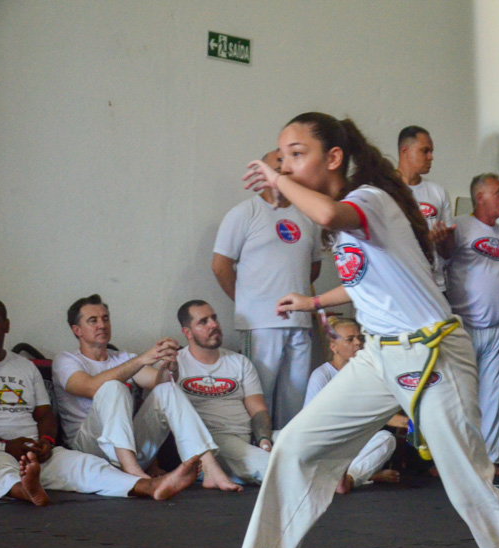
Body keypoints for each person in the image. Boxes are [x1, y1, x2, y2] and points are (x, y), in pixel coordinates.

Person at [207, 112, 499, 548]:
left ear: (334, 158)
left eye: (296, 154)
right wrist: (313, 301)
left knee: (465, 481)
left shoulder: (370, 200)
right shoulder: (347, 215)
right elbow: (365, 280)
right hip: (379, 356)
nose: (287, 167)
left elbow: (326, 215)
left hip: (431, 352)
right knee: (294, 445)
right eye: (282, 159)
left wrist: (276, 181)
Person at [0, 297, 199, 504]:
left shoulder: (25, 367)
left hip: (32, 451)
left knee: (86, 465)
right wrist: (4, 446)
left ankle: (151, 486)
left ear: (6, 325)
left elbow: (44, 414)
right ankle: (25, 490)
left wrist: (46, 442)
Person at [52, 294, 240, 491]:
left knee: (167, 389)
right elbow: (90, 387)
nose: (102, 325)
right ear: (77, 330)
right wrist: (142, 359)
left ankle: (209, 468)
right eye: (93, 320)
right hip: (89, 452)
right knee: (112, 386)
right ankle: (132, 472)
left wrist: (169, 366)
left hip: (130, 449)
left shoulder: (123, 358)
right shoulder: (66, 360)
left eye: (105, 318)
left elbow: (160, 383)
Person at [213, 149, 324, 430]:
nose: (285, 168)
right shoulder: (244, 213)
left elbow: (312, 268)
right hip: (260, 324)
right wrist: (246, 301)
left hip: (300, 323)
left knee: (295, 401)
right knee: (258, 398)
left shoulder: (307, 216)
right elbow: (220, 265)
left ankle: (286, 451)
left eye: (290, 161)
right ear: (263, 173)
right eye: (278, 163)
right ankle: (258, 450)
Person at [445, 173, 499, 464]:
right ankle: (454, 461)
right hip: (463, 325)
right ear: (480, 197)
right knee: (459, 396)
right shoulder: (459, 226)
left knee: (493, 397)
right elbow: (441, 265)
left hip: (497, 327)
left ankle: (491, 459)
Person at [176, 300, 273, 485]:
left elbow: (258, 409)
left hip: (250, 437)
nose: (213, 324)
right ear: (187, 332)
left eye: (214, 318)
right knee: (273, 466)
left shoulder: (240, 362)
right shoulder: (176, 364)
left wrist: (264, 440)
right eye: (203, 321)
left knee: (299, 442)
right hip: (213, 442)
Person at [304, 317, 402, 493]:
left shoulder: (367, 374)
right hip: (328, 443)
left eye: (360, 338)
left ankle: (349, 477)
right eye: (350, 339)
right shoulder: (321, 375)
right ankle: (361, 476)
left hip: (355, 441)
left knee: (386, 439)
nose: (358, 343)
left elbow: (379, 413)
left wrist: (411, 423)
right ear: (334, 347)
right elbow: (310, 423)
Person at [396, 126, 454, 293]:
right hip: (401, 286)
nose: (431, 157)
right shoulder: (384, 190)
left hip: (435, 286)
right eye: (425, 151)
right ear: (405, 151)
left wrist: (442, 240)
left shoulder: (438, 192)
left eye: (431, 151)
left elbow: (448, 253)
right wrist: (426, 239)